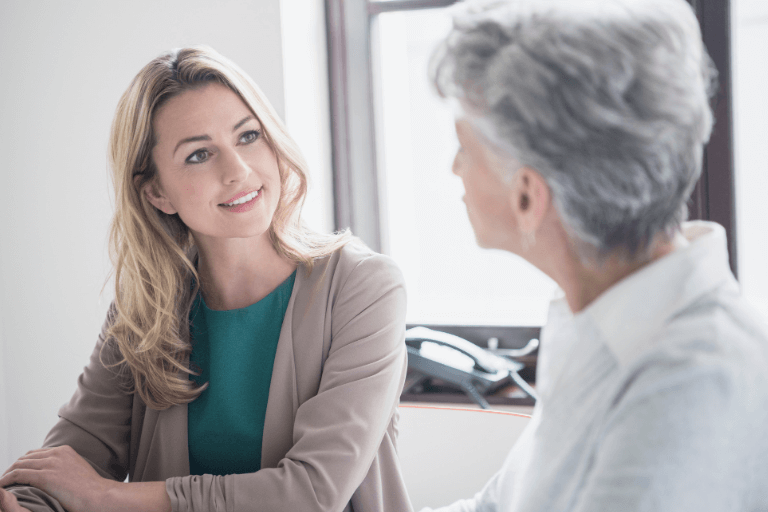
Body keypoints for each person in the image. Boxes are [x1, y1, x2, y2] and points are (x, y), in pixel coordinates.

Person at [0, 46, 412, 512]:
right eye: (199, 154)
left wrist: (109, 497)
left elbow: (312, 494)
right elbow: (65, 469)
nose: (238, 170)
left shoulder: (364, 287)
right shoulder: (146, 309)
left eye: (249, 135)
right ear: (157, 191)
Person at [421, 0, 768, 510]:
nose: (454, 169)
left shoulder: (691, 385)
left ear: (527, 198)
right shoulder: (602, 319)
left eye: (464, 149)